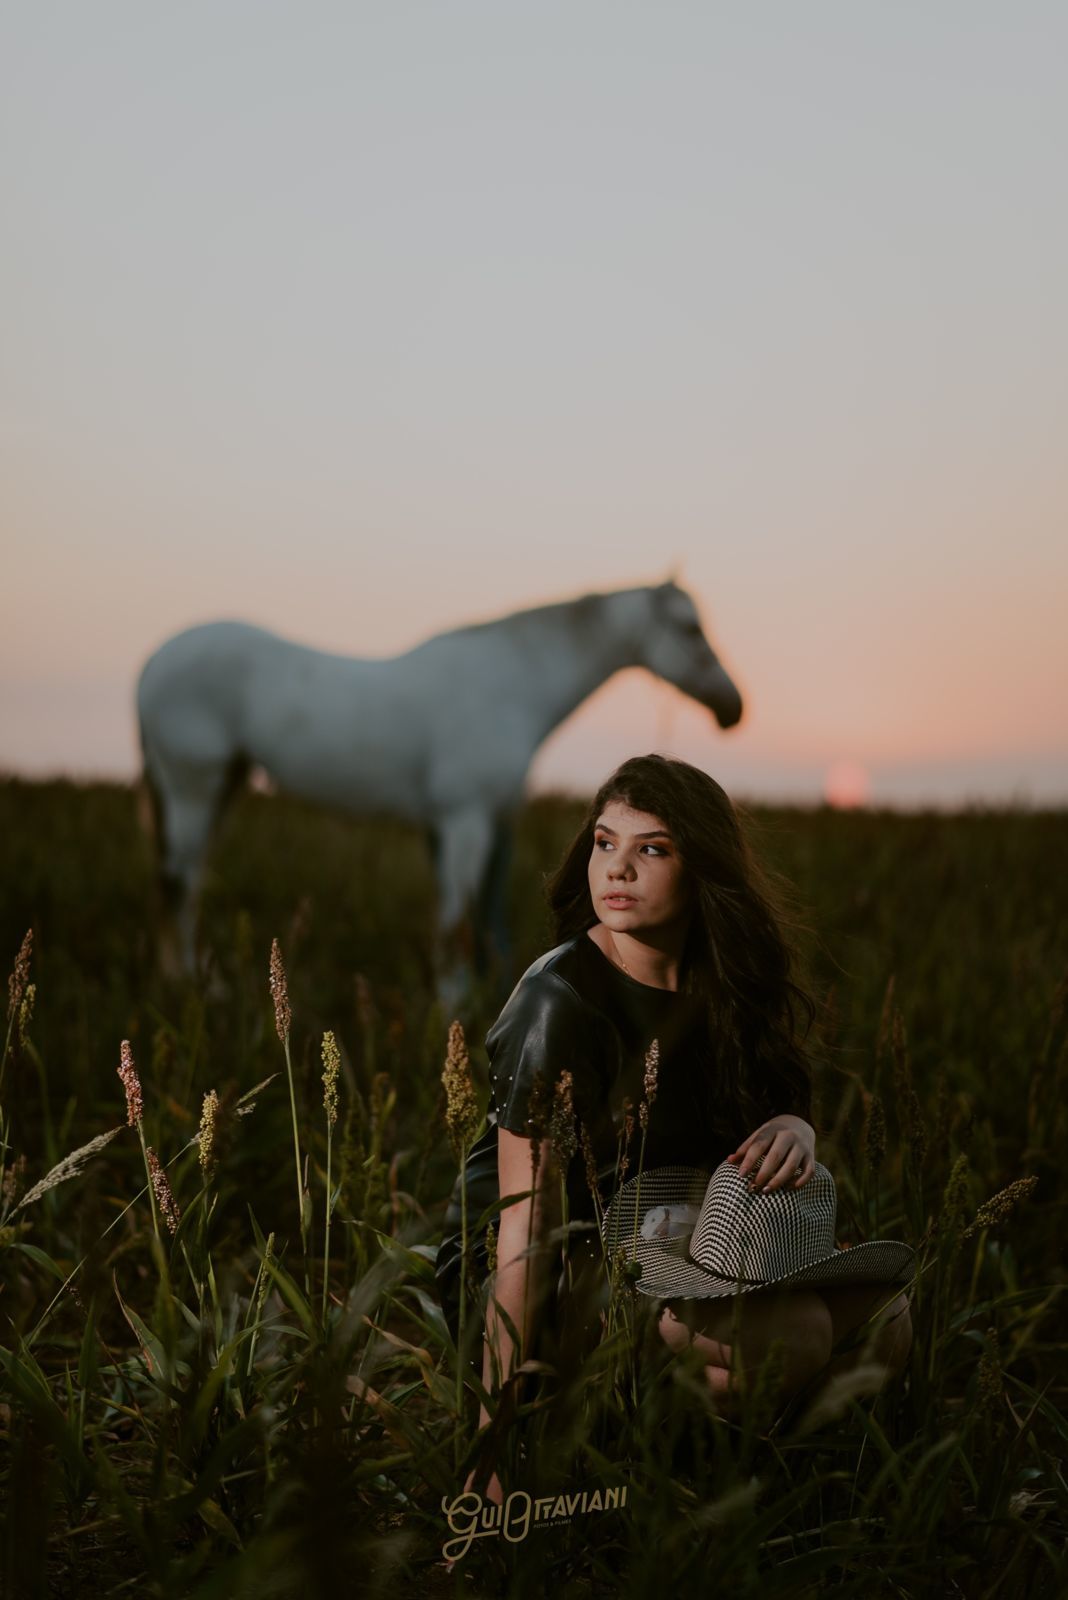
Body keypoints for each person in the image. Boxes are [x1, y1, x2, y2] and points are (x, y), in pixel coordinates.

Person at [434, 754, 913, 1503]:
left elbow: (773, 1110)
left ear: (702, 871)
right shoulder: (558, 1004)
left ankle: (741, 1463)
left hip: (682, 1243)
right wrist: (494, 1440)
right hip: (563, 1267)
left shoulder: (723, 984)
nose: (616, 870)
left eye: (651, 849)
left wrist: (794, 1125)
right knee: (800, 1337)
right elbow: (522, 1236)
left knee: (887, 1316)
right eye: (604, 843)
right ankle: (657, 1473)